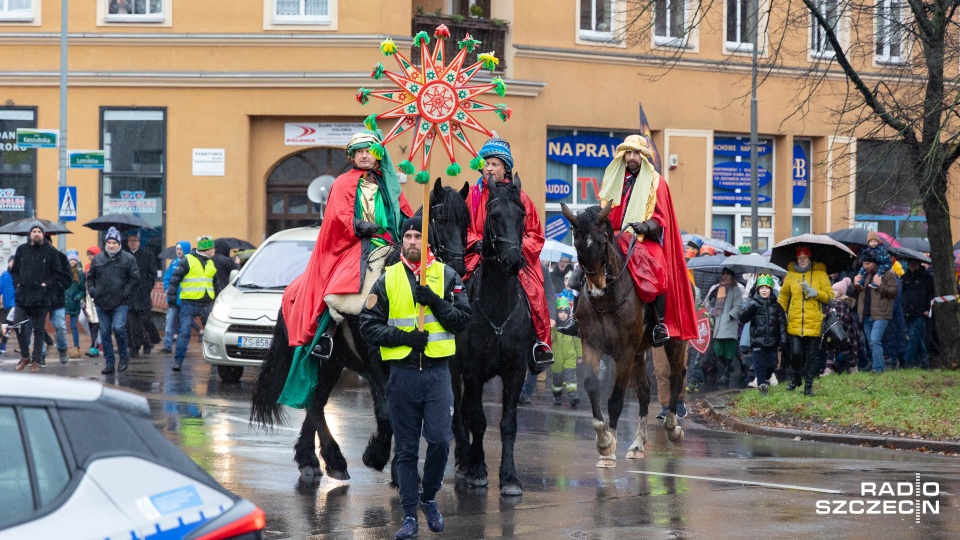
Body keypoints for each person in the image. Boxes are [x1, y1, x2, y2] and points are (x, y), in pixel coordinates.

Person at [358, 216, 470, 540]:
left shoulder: (448, 276)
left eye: (417, 235)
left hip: (437, 376)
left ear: (427, 241)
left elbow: (463, 319)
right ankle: (409, 516)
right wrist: (405, 337)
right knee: (405, 451)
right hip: (402, 376)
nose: (411, 241)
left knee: (438, 441)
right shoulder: (387, 278)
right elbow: (368, 324)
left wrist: (434, 301)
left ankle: (429, 497)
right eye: (407, 235)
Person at [282, 127, 413, 355]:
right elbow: (337, 216)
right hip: (356, 243)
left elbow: (403, 213)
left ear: (377, 155)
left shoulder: (389, 184)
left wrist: (414, 227)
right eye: (358, 152)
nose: (364, 155)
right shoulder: (343, 182)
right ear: (352, 157)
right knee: (340, 286)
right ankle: (328, 334)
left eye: (368, 151)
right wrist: (360, 226)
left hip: (391, 242)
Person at [595, 134, 698, 346]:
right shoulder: (614, 179)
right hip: (615, 235)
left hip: (643, 239)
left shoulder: (657, 182)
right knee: (588, 262)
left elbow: (662, 217)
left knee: (659, 270)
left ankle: (659, 324)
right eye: (628, 153)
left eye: (636, 153)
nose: (631, 157)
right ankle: (578, 318)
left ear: (643, 156)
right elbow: (604, 210)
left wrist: (647, 225)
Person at [465, 137, 554, 370]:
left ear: (506, 168)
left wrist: (512, 247)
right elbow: (461, 229)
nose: (489, 168)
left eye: (495, 164)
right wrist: (475, 243)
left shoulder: (521, 197)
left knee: (535, 294)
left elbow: (535, 234)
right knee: (454, 288)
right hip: (478, 256)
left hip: (514, 258)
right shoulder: (473, 195)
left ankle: (538, 345)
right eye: (486, 163)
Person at [10, 221, 66, 372]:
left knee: (39, 329)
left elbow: (57, 273)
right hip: (23, 296)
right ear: (30, 235)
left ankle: (36, 360)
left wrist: (46, 284)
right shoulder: (21, 250)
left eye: (39, 231)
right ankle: (25, 355)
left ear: (43, 235)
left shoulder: (51, 252)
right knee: (19, 325)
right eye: (33, 231)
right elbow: (14, 270)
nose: (36, 234)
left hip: (41, 297)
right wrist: (18, 284)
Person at [778, 245, 833, 396]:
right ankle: (797, 378)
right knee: (795, 354)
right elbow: (783, 295)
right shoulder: (791, 274)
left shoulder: (820, 274)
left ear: (810, 258)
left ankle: (808, 385)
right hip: (795, 321)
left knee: (812, 356)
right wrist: (779, 310)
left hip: (814, 321)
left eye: (805, 258)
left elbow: (829, 296)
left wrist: (816, 293)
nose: (802, 261)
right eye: (799, 258)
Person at [87, 227, 140, 375]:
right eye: (109, 242)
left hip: (120, 302)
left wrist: (125, 293)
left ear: (118, 243)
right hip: (101, 302)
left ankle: (124, 357)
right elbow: (90, 277)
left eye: (114, 242)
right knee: (104, 333)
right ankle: (109, 363)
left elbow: (135, 278)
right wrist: (93, 291)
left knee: (118, 328)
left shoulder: (128, 258)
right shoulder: (98, 259)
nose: (111, 245)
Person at [167, 235, 221, 372]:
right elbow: (175, 280)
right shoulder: (187, 260)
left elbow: (215, 284)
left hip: (207, 303)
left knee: (212, 333)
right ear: (206, 249)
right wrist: (172, 299)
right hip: (189, 303)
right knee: (184, 333)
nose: (214, 250)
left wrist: (219, 299)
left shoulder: (210, 263)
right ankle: (178, 361)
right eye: (212, 248)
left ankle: (215, 360)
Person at [739, 274, 787, 395]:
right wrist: (749, 309)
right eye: (761, 288)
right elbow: (743, 319)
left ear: (771, 289)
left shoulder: (776, 306)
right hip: (757, 340)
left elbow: (782, 324)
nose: (764, 290)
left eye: (766, 288)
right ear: (758, 290)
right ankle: (762, 386)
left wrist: (783, 340)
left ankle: (766, 377)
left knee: (772, 364)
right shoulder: (753, 304)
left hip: (772, 341)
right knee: (759, 364)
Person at [853, 249, 899, 374]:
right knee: (872, 343)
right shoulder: (865, 274)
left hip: (881, 313)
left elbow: (893, 293)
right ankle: (880, 367)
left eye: (868, 264)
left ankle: (877, 369)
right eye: (863, 264)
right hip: (866, 314)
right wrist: (856, 284)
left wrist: (879, 285)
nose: (865, 266)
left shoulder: (888, 273)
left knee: (875, 340)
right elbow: (860, 294)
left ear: (875, 262)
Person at [704, 268, 744, 389]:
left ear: (732, 276)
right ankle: (729, 368)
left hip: (729, 323)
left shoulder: (735, 289)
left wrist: (730, 315)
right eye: (723, 274)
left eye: (727, 274)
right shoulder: (719, 289)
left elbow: (738, 305)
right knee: (717, 349)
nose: (725, 276)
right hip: (719, 323)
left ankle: (726, 373)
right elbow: (711, 305)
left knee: (729, 349)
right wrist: (712, 295)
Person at [126, 232, 158, 356]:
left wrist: (148, 288)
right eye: (130, 241)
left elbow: (152, 273)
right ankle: (134, 346)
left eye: (135, 240)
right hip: (129, 293)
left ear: (139, 242)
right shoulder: (125, 255)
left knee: (144, 321)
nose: (132, 243)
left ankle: (147, 342)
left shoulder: (147, 254)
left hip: (142, 293)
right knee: (130, 322)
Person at [822, 277, 861, 376]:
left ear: (841, 292)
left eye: (835, 290)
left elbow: (846, 319)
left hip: (843, 332)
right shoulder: (830, 304)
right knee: (830, 349)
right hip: (832, 331)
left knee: (846, 350)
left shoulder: (844, 305)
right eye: (832, 290)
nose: (833, 292)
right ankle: (828, 368)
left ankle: (853, 367)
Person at [901, 257, 934, 368]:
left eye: (914, 263)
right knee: (916, 338)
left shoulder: (926, 278)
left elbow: (930, 294)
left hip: (920, 311)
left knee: (913, 337)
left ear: (918, 264)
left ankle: (907, 361)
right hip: (907, 311)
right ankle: (924, 361)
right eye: (910, 263)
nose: (911, 266)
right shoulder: (904, 278)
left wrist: (927, 308)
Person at [44, 235, 71, 364]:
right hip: (40, 298)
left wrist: (57, 287)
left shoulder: (61, 257)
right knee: (36, 326)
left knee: (60, 326)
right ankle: (41, 351)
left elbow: (68, 278)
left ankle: (62, 348)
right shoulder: (34, 258)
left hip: (56, 299)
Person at [550, 298, 581, 408]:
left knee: (570, 376)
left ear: (568, 313)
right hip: (557, 357)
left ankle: (573, 395)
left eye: (565, 313)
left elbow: (577, 341)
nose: (563, 315)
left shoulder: (572, 326)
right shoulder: (554, 326)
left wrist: (580, 354)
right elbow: (550, 339)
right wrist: (551, 329)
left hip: (570, 356)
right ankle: (557, 395)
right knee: (557, 378)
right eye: (560, 312)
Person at [162, 241, 191, 353]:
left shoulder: (190, 263)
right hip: (173, 299)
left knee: (184, 326)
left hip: (185, 298)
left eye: (181, 249)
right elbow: (167, 277)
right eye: (177, 249)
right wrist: (166, 288)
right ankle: (167, 345)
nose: (179, 251)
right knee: (169, 323)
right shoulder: (174, 263)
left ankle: (183, 347)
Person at [64, 249, 86, 358]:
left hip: (74, 304)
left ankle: (76, 347)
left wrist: (77, 297)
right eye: (70, 259)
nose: (72, 262)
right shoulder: (63, 272)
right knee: (60, 326)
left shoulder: (80, 273)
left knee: (73, 326)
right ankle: (61, 346)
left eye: (74, 259)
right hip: (63, 303)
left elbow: (83, 290)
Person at [83, 246, 102, 357]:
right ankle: (96, 342)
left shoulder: (101, 265)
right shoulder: (87, 266)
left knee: (96, 321)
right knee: (89, 320)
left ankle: (95, 344)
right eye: (89, 255)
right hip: (88, 296)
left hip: (97, 296)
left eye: (92, 254)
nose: (90, 257)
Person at [0, 256, 15, 355]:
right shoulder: (4, 275)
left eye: (14, 262)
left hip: (16, 304)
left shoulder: (20, 275)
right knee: (6, 325)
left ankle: (3, 343)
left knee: (7, 324)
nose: (12, 263)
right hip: (6, 304)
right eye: (10, 262)